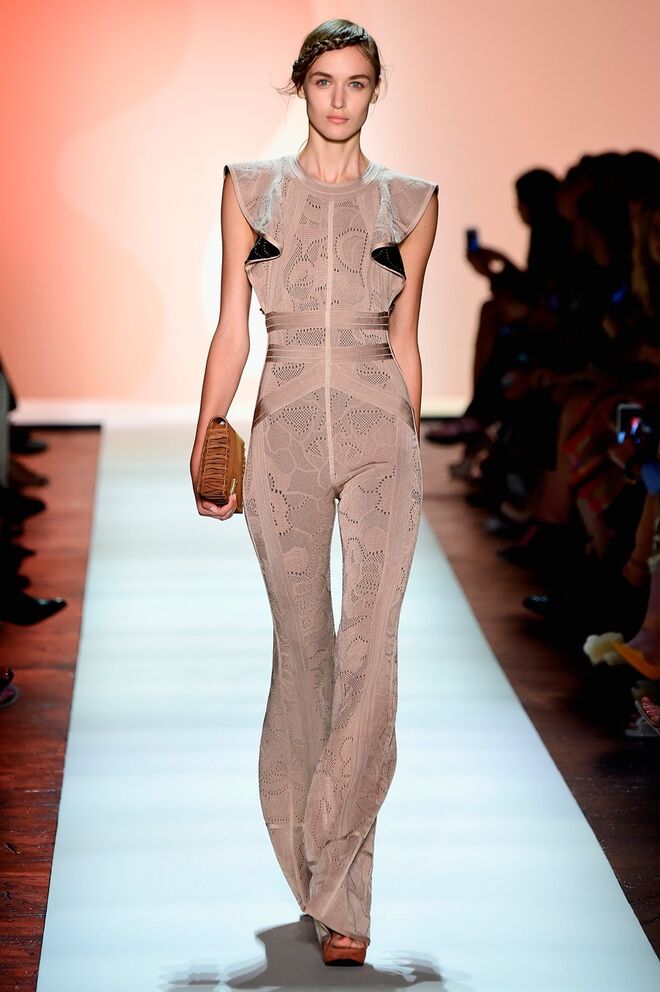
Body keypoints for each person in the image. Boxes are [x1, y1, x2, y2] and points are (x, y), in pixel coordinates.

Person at [190, 18, 438, 966]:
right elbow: (231, 327)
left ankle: (344, 891)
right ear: (301, 85)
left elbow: (407, 339)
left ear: (376, 91)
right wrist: (207, 433)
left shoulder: (410, 204)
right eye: (325, 80)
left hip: (381, 439)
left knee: (371, 656)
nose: (340, 98)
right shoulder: (249, 190)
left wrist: (417, 446)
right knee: (306, 656)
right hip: (283, 436)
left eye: (357, 82)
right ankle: (312, 859)